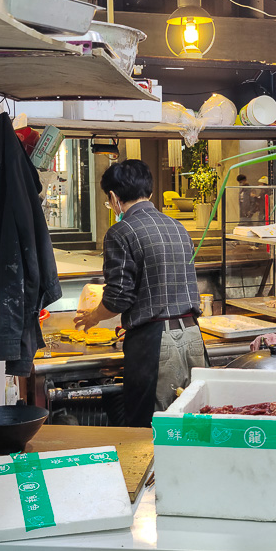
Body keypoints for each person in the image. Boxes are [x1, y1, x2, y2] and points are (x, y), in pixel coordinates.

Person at [73, 159, 207, 427]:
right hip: (193, 336)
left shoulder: (120, 232)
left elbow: (117, 298)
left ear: (113, 197)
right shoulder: (179, 228)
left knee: (150, 428)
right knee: (191, 423)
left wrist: (93, 317)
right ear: (151, 192)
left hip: (155, 344)